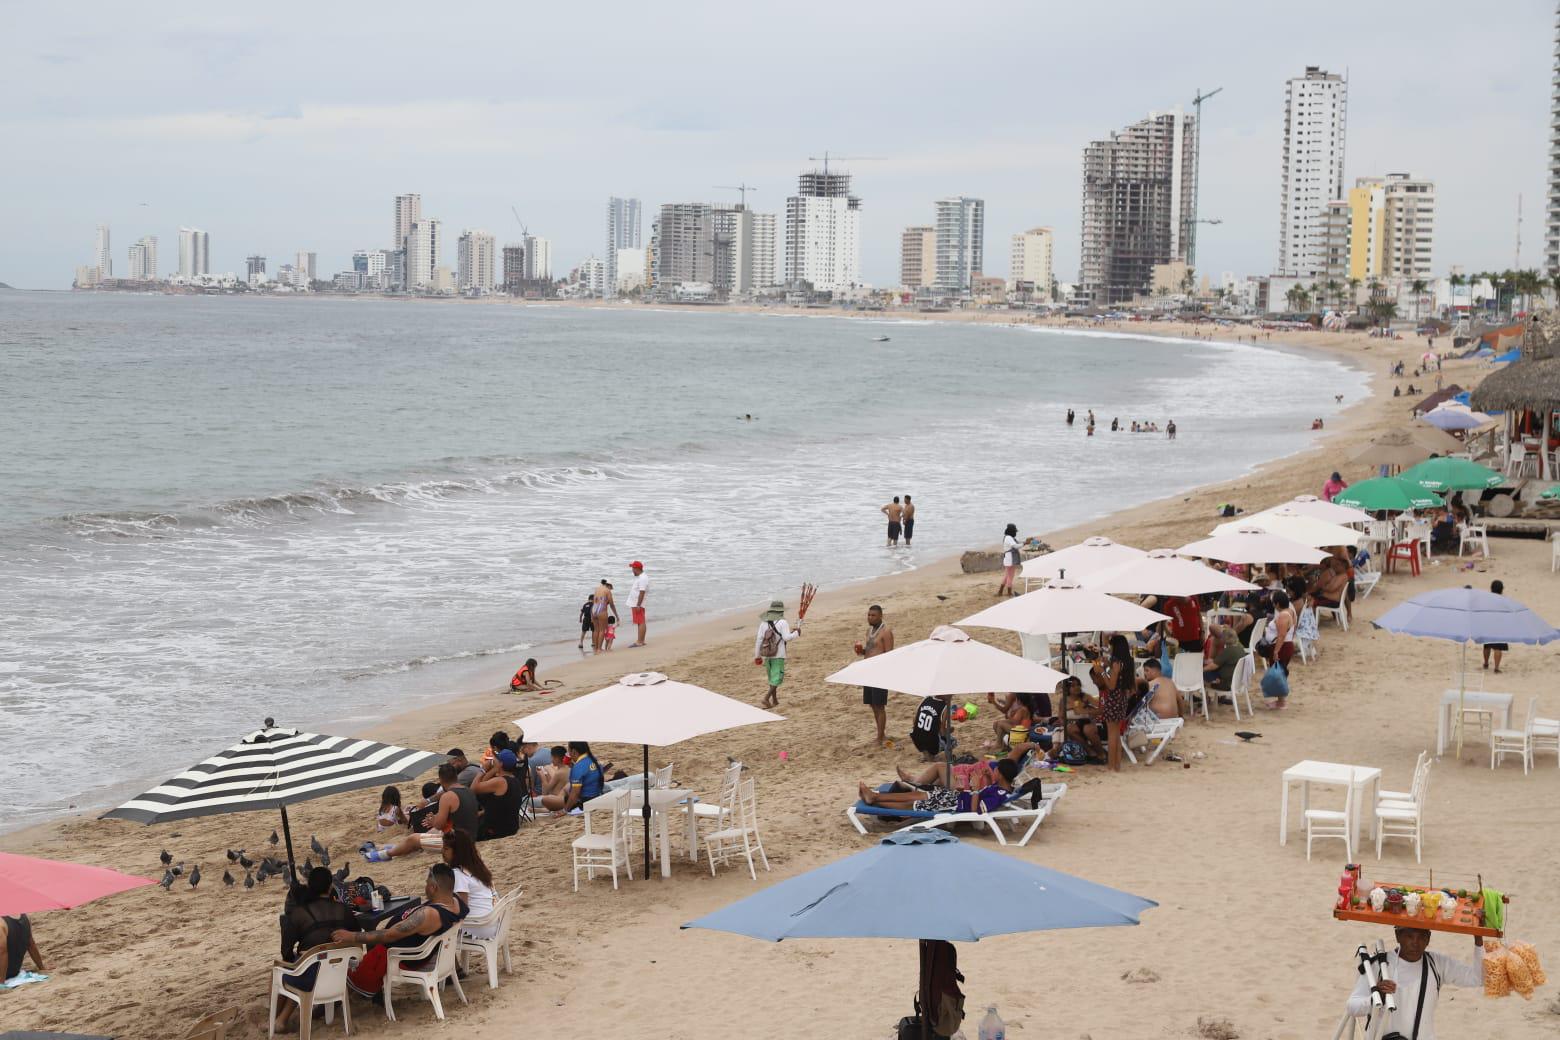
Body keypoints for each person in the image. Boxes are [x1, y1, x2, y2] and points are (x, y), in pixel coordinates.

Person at [337, 863, 465, 998]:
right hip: (422, 950)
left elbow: (387, 935)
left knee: (350, 973)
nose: (425, 887)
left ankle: (352, 988)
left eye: (427, 883)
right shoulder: (455, 902)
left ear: (434, 887)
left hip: (402, 957)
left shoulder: (428, 915)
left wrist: (351, 936)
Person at [1344, 927, 1484, 1039]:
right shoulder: (1379, 965)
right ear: (1398, 936)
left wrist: (1478, 939)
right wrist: (1376, 997)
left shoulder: (1437, 964)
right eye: (1409, 936)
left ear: (1428, 938)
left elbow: (1478, 978)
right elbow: (1352, 1006)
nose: (1415, 943)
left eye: (1421, 937)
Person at [272, 867, 359, 1031]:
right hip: (340, 976)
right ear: (330, 887)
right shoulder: (344, 910)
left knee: (284, 969)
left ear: (309, 886)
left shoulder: (299, 913)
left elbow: (286, 952)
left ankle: (276, 1020)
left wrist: (299, 957)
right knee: (307, 965)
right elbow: (357, 937)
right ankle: (281, 1019)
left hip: (309, 979)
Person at [364, 763, 479, 861]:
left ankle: (384, 855)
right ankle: (398, 847)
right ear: (456, 776)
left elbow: (439, 825)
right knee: (429, 833)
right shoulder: (468, 791)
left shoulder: (447, 796)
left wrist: (433, 821)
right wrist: (435, 821)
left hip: (456, 845)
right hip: (471, 838)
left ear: (441, 780)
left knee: (413, 838)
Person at [1088, 634, 1133, 772]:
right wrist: (1105, 664)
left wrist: (1102, 672)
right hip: (1122, 699)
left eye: (1111, 646)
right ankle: (1117, 765)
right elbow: (1119, 678)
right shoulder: (1127, 661)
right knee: (1117, 735)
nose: (1110, 648)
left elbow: (1111, 685)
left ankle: (1111, 766)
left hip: (1113, 699)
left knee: (1112, 735)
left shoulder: (1116, 663)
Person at [442, 830, 498, 937]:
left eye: (446, 849)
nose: (442, 852)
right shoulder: (477, 867)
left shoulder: (458, 874)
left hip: (478, 929)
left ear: (457, 852)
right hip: (493, 924)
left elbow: (461, 909)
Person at [854, 604, 895, 746]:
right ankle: (881, 734)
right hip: (868, 672)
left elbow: (889, 654)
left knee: (879, 705)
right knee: (872, 704)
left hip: (879, 672)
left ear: (880, 616)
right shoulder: (869, 631)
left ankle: (880, 737)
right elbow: (871, 650)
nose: (870, 617)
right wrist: (861, 651)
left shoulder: (886, 632)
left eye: (873, 615)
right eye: (869, 615)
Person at [754, 599, 801, 708]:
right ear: (781, 611)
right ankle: (766, 698)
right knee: (777, 678)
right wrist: (796, 633)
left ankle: (775, 700)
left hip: (767, 654)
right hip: (778, 654)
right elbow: (786, 638)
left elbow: (759, 640)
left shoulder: (763, 623)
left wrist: (757, 656)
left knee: (772, 678)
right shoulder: (783, 622)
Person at [471, 749, 523, 840]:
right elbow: (502, 805)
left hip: (495, 831)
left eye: (496, 759)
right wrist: (494, 769)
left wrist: (483, 770)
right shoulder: (514, 780)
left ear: (501, 764)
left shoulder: (500, 782)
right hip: (511, 827)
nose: (493, 760)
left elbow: (473, 789)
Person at [1257, 590, 1297, 707]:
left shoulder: (1283, 615)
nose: (1273, 605)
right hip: (1286, 645)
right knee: (1280, 672)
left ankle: (1281, 702)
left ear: (1278, 604)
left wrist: (1276, 651)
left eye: (1274, 603)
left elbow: (1281, 635)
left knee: (1278, 673)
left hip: (1281, 647)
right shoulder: (1290, 611)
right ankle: (1281, 700)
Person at [542, 741, 604, 812]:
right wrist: (572, 766)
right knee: (567, 787)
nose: (569, 754)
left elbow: (575, 793)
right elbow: (587, 773)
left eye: (569, 751)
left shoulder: (578, 767)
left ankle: (559, 805)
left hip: (584, 801)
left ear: (574, 751)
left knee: (545, 800)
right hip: (597, 795)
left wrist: (565, 810)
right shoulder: (593, 759)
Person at [1, 913, 43, 983]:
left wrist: (1, 982)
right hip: (14, 971)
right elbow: (31, 945)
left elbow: (2, 952)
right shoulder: (25, 917)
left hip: (3, 975)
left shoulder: (1, 923)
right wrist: (42, 967)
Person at [1203, 626, 1246, 691]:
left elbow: (1213, 666)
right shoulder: (1240, 647)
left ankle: (1204, 694)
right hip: (1236, 681)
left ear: (1225, 639)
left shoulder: (1228, 650)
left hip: (1226, 683)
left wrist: (1201, 670)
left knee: (1203, 674)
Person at [910, 694, 952, 760]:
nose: (951, 696)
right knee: (952, 741)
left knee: (926, 731)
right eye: (950, 694)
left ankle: (925, 751)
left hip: (917, 740)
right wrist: (950, 731)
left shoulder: (926, 699)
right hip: (933, 744)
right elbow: (942, 730)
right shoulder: (945, 707)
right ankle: (933, 755)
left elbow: (914, 719)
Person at [1483, 579, 1508, 672]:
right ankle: (1496, 668)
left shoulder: (1487, 599)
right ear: (1501, 589)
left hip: (1488, 624)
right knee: (1498, 647)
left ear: (1491, 588)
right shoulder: (1504, 601)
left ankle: (1486, 663)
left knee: (1487, 645)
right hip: (1499, 626)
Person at [590, 577, 616, 654]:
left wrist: (592, 615)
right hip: (601, 610)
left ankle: (595, 649)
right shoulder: (607, 591)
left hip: (594, 610)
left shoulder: (597, 589)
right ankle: (599, 649)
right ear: (609, 585)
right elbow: (611, 604)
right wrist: (616, 615)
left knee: (596, 630)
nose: (610, 589)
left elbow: (595, 601)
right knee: (602, 630)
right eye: (611, 587)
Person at [628, 561, 649, 647]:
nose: (632, 570)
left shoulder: (642, 578)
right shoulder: (641, 577)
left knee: (640, 621)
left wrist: (638, 605)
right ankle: (641, 640)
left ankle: (640, 641)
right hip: (636, 602)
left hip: (637, 603)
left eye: (633, 568)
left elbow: (642, 592)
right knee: (640, 621)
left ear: (637, 568)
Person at [998, 523, 1021, 597]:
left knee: (1007, 575)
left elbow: (1017, 544)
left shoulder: (1007, 537)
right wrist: (1025, 543)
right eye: (1015, 531)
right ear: (1012, 531)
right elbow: (1016, 546)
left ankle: (1000, 592)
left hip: (1008, 559)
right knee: (1010, 576)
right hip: (1010, 559)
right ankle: (1009, 593)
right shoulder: (1009, 538)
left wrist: (1024, 542)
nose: (1015, 533)